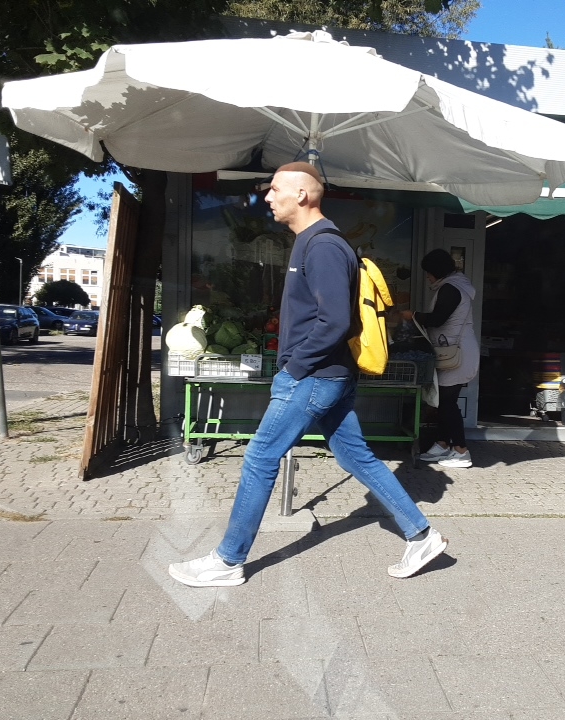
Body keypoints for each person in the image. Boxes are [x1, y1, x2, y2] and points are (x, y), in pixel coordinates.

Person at [169, 162, 447, 587]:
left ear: (301, 194)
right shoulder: (312, 242)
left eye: (274, 188)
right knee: (355, 456)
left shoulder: (324, 246)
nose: (267, 196)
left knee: (260, 457)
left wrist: (295, 367)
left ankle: (227, 561)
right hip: (325, 375)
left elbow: (335, 321)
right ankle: (422, 537)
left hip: (313, 376)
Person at [402, 248, 480, 468]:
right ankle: (443, 444)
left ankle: (461, 450)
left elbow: (437, 319)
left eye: (429, 273)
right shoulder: (455, 285)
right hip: (456, 351)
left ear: (436, 271)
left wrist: (412, 315)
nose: (427, 277)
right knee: (444, 401)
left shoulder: (451, 288)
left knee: (447, 402)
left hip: (457, 353)